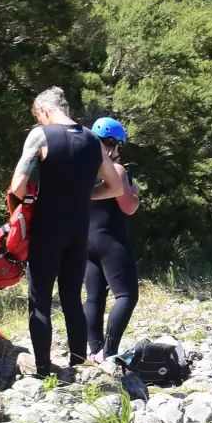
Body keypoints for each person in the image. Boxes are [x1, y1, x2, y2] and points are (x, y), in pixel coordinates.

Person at [7, 87, 125, 382]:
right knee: (72, 297)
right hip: (79, 228)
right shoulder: (93, 140)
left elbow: (17, 186)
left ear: (44, 111)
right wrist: (84, 194)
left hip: (47, 225)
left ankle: (44, 370)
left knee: (40, 298)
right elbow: (116, 187)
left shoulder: (40, 135)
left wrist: (29, 200)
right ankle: (78, 363)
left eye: (38, 116)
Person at [82, 116, 141, 370]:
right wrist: (135, 192)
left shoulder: (81, 170)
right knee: (127, 295)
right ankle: (110, 351)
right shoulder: (116, 170)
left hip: (86, 241)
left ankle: (94, 351)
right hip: (111, 240)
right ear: (113, 144)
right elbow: (128, 207)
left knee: (94, 297)